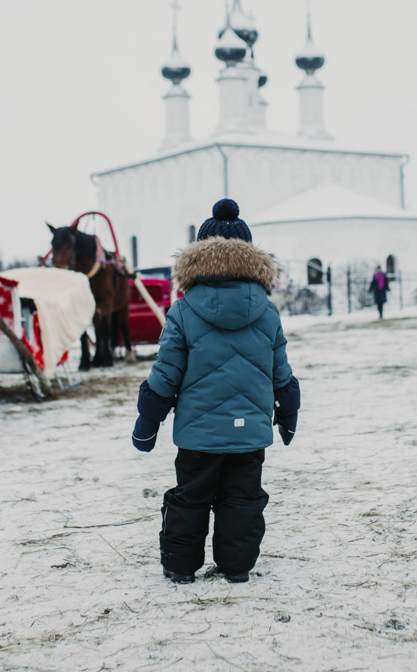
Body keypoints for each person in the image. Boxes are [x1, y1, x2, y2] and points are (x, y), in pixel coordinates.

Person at [131, 198, 301, 584]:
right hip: (249, 434)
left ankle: (179, 566)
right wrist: (288, 413)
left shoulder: (183, 310)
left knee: (190, 497)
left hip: (198, 435)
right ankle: (237, 567)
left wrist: (148, 421)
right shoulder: (267, 311)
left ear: (197, 255)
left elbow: (166, 375)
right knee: (242, 499)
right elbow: (281, 373)